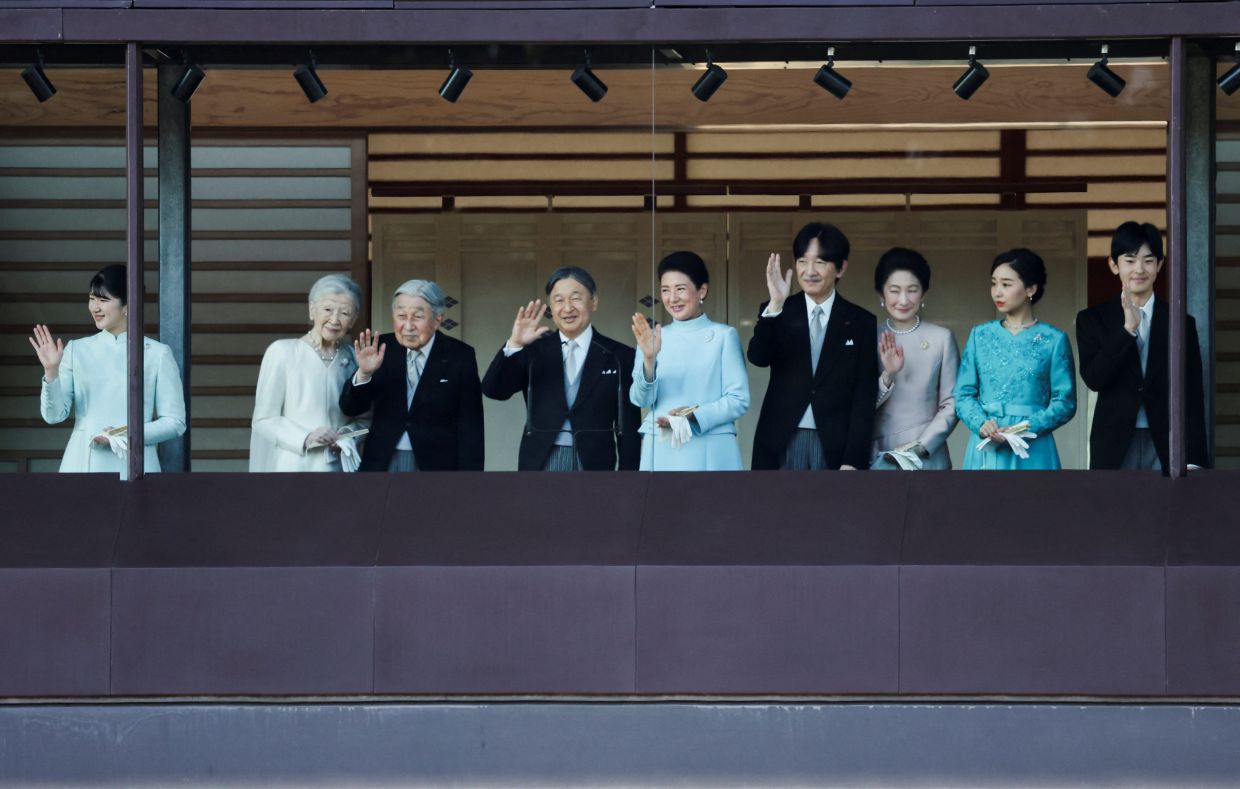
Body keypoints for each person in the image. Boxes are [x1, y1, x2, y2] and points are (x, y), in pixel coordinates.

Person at [29, 264, 186, 478]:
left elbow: (175, 422)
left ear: (127, 306)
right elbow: (54, 416)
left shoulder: (156, 354)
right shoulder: (76, 349)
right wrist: (51, 372)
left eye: (103, 300)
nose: (95, 307)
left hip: (135, 466)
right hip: (82, 463)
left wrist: (121, 434)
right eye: (92, 299)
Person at [1075, 221, 1209, 471]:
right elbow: (1094, 378)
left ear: (1159, 266)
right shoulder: (1092, 320)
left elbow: (1192, 393)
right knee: (1115, 509)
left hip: (1168, 438)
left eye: (1148, 260)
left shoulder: (1180, 322)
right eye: (1130, 260)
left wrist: (1195, 458)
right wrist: (1127, 331)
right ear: (1114, 265)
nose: (1139, 269)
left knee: (1167, 510)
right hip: (1114, 439)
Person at [481, 266, 641, 471]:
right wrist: (514, 344)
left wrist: (629, 478)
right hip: (541, 461)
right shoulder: (534, 351)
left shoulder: (619, 356)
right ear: (550, 307)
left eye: (576, 298)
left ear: (594, 302)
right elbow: (494, 390)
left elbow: (628, 426)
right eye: (559, 300)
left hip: (596, 462)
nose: (567, 308)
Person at [748, 222, 878, 470]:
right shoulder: (779, 309)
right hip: (781, 439)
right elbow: (758, 356)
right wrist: (775, 305)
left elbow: (864, 396)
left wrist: (853, 460)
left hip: (834, 443)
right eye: (802, 261)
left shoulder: (861, 321)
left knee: (830, 509)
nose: (809, 271)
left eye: (820, 262)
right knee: (780, 509)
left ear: (840, 268)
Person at [338, 279, 484, 471]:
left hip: (437, 464)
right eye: (401, 315)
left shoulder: (459, 355)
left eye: (417, 317)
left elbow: (470, 424)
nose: (408, 326)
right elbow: (351, 408)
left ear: (438, 318)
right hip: (383, 459)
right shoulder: (379, 348)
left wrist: (471, 480)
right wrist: (364, 373)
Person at [955, 249, 1077, 470]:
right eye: (994, 284)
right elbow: (963, 394)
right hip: (987, 442)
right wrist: (981, 423)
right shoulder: (979, 336)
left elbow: (1065, 402)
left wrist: (1024, 429)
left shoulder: (1054, 340)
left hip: (1033, 444)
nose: (997, 292)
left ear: (1031, 288)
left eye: (1006, 284)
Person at [629, 251, 749, 470]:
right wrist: (649, 360)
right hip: (662, 447)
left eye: (680, 289)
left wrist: (694, 416)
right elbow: (640, 400)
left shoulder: (723, 336)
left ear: (702, 290)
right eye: (665, 290)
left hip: (710, 445)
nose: (672, 298)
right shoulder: (652, 339)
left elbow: (738, 399)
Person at [250, 274, 369, 472]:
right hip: (292, 465)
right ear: (312, 309)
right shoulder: (282, 351)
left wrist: (347, 436)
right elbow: (264, 419)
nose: (334, 319)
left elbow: (366, 419)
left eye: (345, 313)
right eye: (328, 309)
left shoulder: (356, 357)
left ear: (354, 319)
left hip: (339, 466)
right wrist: (306, 437)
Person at [870, 247, 960, 470]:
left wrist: (921, 445)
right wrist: (888, 375)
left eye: (912, 290)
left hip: (929, 454)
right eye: (894, 290)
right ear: (881, 293)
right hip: (880, 453)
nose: (903, 300)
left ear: (924, 293)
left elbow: (952, 403)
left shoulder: (941, 338)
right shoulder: (869, 337)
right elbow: (857, 403)